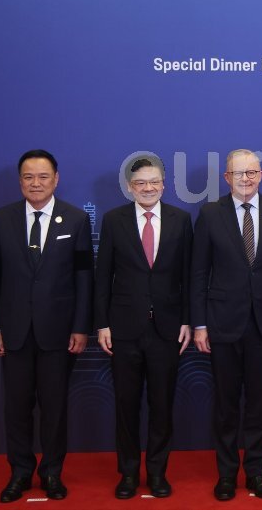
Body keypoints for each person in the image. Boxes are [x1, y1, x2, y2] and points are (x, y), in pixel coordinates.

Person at [0, 149, 93, 503]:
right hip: (13, 332)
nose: (36, 183)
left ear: (56, 179)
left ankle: (52, 473)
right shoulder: (2, 220)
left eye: (43, 176)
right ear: (20, 182)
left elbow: (84, 278)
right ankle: (20, 473)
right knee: (16, 408)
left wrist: (81, 327)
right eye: (28, 177)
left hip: (59, 333)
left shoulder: (75, 219)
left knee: (54, 408)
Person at [191, 149, 262, 501]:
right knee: (226, 404)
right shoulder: (210, 214)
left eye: (252, 172)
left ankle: (256, 472)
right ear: (227, 178)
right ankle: (226, 474)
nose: (246, 179)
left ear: (261, 175)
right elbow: (198, 273)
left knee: (258, 402)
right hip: (222, 324)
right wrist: (199, 324)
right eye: (239, 173)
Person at [94, 156, 193, 499]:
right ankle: (128, 474)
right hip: (124, 329)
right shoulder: (113, 220)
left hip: (167, 329)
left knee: (162, 405)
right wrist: (102, 323)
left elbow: (189, 276)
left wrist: (187, 320)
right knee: (126, 405)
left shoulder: (181, 220)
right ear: (130, 187)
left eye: (154, 182)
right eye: (140, 183)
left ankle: (157, 472)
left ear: (163, 185)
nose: (148, 188)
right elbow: (102, 276)